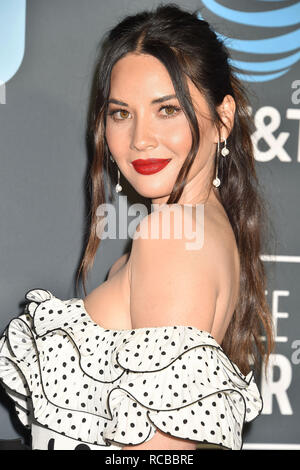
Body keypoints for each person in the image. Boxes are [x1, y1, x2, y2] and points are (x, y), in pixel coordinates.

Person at [0, 3, 274, 450]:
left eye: (167, 109)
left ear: (223, 119)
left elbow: (165, 449)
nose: (141, 138)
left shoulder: (173, 240)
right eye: (121, 113)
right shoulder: (197, 226)